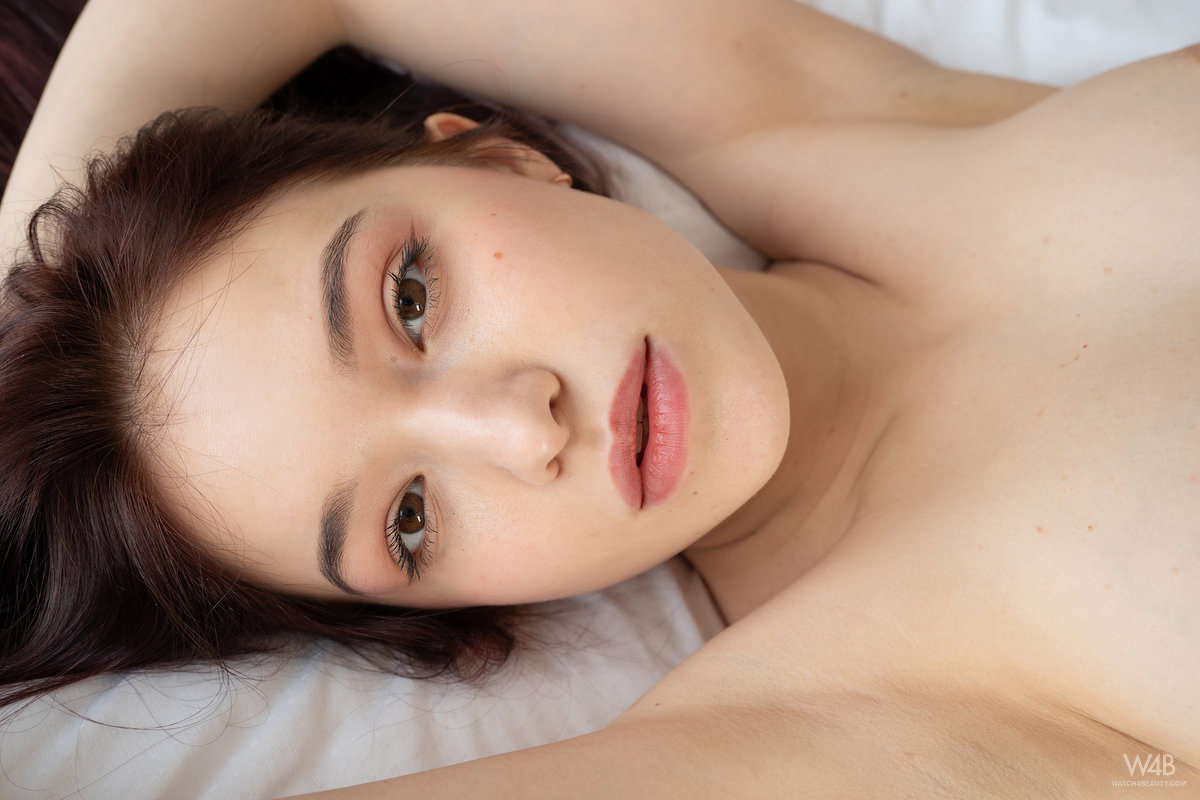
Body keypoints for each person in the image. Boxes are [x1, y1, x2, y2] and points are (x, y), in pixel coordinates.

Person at [2, 0, 1198, 796]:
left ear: (497, 158)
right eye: (409, 518)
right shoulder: (874, 703)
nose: (520, 427)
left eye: (411, 296)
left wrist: (21, 294)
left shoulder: (858, 131)